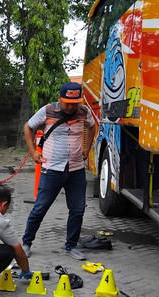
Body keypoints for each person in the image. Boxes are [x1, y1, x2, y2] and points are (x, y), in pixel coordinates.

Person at [21, 82, 95, 261]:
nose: (70, 107)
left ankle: (71, 246)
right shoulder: (47, 110)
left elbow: (92, 126)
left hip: (76, 169)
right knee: (40, 208)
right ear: (59, 99)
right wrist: (33, 152)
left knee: (77, 210)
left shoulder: (84, 112)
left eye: (74, 103)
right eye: (67, 103)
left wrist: (87, 148)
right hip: (52, 169)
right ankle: (26, 243)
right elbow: (28, 127)